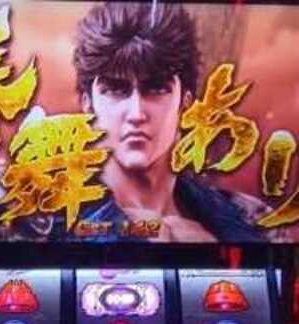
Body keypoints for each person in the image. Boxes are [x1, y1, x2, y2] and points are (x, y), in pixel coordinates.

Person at [70, 2, 273, 243]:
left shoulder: (251, 218)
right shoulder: (43, 221)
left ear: (185, 101)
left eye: (156, 89)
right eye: (116, 90)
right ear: (87, 103)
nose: (136, 113)